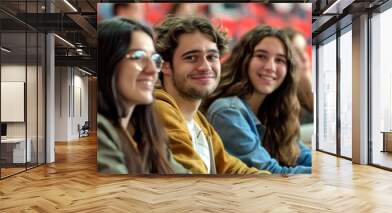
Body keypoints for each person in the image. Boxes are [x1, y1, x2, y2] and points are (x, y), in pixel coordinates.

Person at [154, 16, 268, 174]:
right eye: (191, 57)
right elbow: (193, 180)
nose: (205, 66)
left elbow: (232, 168)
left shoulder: (199, 121)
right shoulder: (159, 109)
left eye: (212, 57)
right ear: (165, 66)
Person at [205, 25, 312, 174]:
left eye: (280, 60)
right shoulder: (227, 111)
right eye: (261, 56)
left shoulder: (275, 111)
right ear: (244, 60)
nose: (270, 67)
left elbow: (305, 156)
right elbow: (269, 173)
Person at [97, 17, 186, 174]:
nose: (152, 70)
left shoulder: (145, 129)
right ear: (108, 62)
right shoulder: (100, 128)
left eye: (154, 59)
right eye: (138, 56)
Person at [282, 27, 313, 145]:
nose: (305, 57)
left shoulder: (313, 88)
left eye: (304, 50)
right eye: (296, 52)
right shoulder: (281, 98)